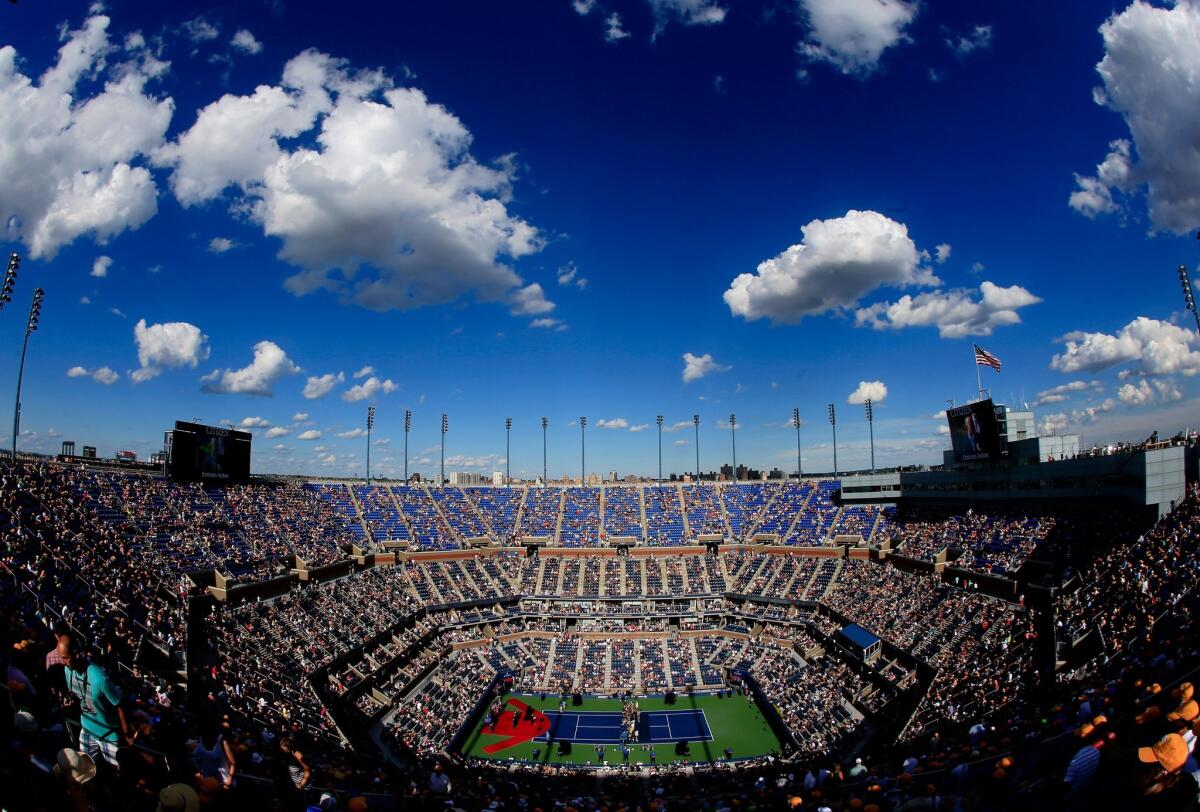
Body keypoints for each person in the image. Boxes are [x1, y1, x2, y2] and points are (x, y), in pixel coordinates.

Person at [62, 638, 130, 768]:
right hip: (87, 729)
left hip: (109, 734)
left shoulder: (99, 679)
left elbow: (119, 705)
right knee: (86, 770)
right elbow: (78, 696)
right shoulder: (67, 670)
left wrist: (126, 735)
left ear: (76, 654)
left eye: (65, 657)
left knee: (121, 770)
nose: (63, 661)